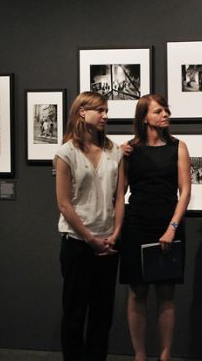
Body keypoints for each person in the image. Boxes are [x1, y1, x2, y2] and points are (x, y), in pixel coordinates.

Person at [118, 94, 191, 361]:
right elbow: (120, 191)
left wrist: (172, 227)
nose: (165, 115)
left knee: (166, 291)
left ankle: (165, 354)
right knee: (137, 291)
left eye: (166, 111)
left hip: (167, 223)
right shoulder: (130, 149)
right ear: (144, 117)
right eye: (159, 111)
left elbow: (184, 193)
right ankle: (139, 355)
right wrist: (116, 155)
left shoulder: (178, 147)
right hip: (136, 224)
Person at [55, 92, 126, 361]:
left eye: (107, 110)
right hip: (77, 243)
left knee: (102, 313)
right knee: (74, 313)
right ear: (82, 112)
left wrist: (115, 233)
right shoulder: (66, 153)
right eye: (100, 110)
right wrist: (89, 238)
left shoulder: (114, 151)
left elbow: (119, 197)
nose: (106, 116)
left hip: (108, 242)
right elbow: (64, 204)